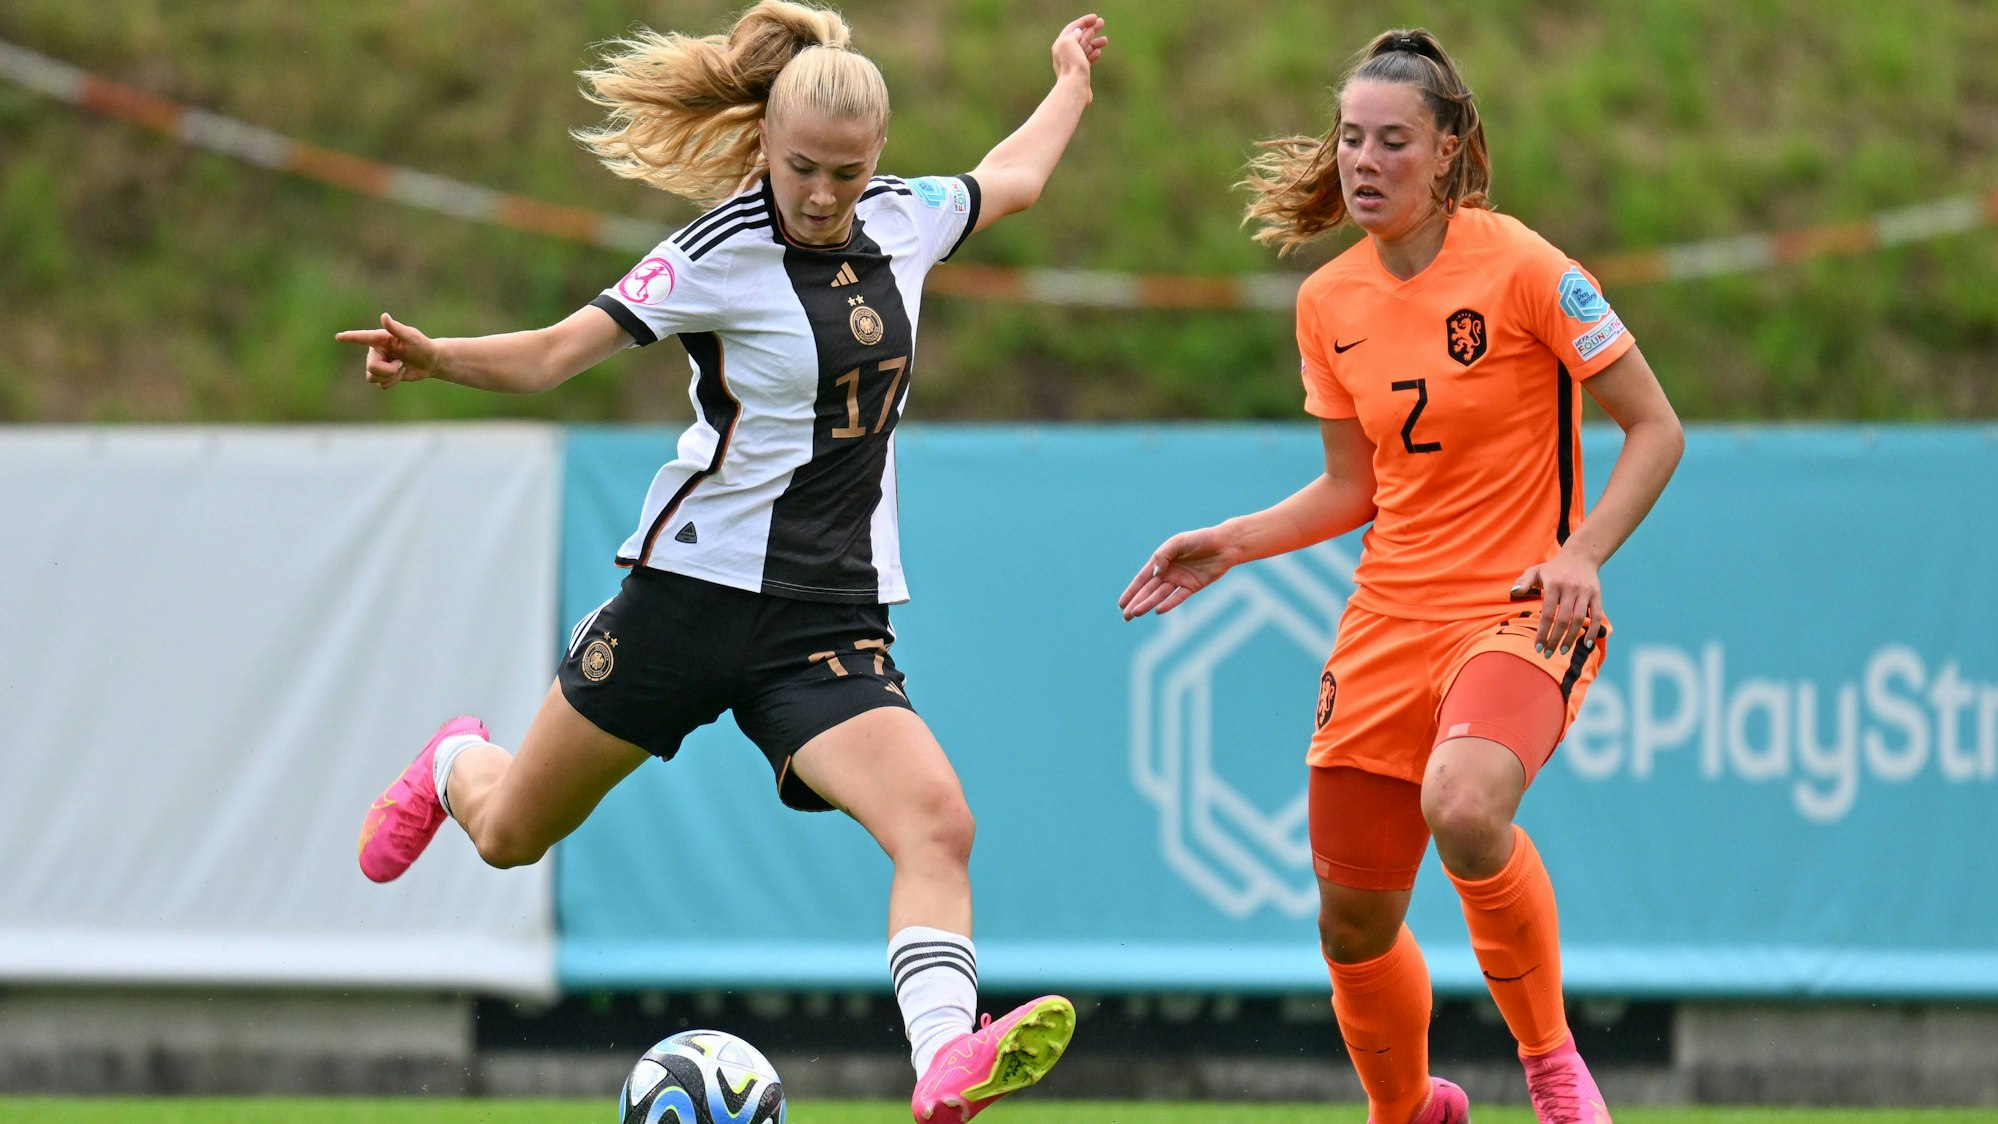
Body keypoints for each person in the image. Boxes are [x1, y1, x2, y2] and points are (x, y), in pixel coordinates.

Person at [336, 6, 1108, 1121]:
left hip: (825, 619)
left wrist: (1070, 79)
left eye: (847, 172)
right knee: (508, 834)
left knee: (937, 820)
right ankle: (456, 758)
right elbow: (558, 352)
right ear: (765, 149)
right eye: (802, 168)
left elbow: (1012, 177)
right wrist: (433, 357)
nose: (824, 193)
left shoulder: (908, 220)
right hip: (686, 599)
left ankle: (943, 1060)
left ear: (877, 161)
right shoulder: (715, 252)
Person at [1119, 27, 1683, 1124]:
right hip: (1388, 619)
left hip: (1518, 609)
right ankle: (1407, 1107)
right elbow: (1353, 487)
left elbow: (1655, 429)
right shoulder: (1327, 302)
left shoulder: (1527, 267)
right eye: (1349, 140)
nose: (1362, 163)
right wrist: (1234, 539)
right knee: (1352, 924)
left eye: (1391, 142)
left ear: (1451, 150)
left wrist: (1581, 553)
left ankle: (1554, 1067)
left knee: (1466, 805)